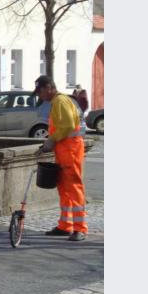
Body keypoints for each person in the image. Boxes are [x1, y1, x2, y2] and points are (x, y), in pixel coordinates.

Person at [33, 76, 88, 241]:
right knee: (64, 189)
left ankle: (80, 228)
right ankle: (65, 226)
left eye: (41, 91)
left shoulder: (60, 102)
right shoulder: (59, 101)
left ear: (49, 87)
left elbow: (68, 126)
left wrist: (51, 140)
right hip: (65, 150)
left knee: (74, 188)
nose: (40, 96)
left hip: (70, 150)